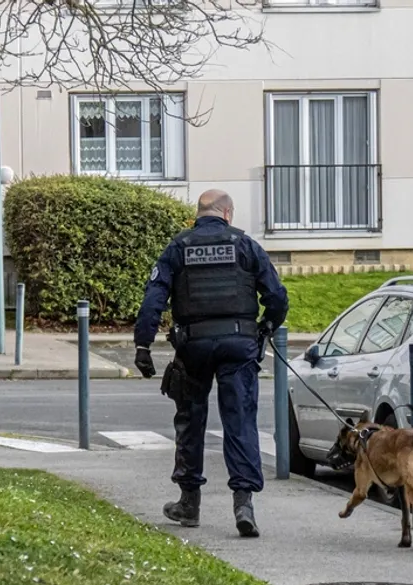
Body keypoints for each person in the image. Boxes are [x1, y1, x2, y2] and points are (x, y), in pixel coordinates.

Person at [133, 189, 289, 538]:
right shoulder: (245, 245)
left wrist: (143, 345)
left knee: (190, 421)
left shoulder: (179, 246)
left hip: (194, 346)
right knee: (240, 422)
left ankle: (189, 503)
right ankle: (243, 504)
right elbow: (277, 297)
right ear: (227, 213)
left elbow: (154, 298)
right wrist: (266, 326)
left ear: (198, 213)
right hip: (238, 344)